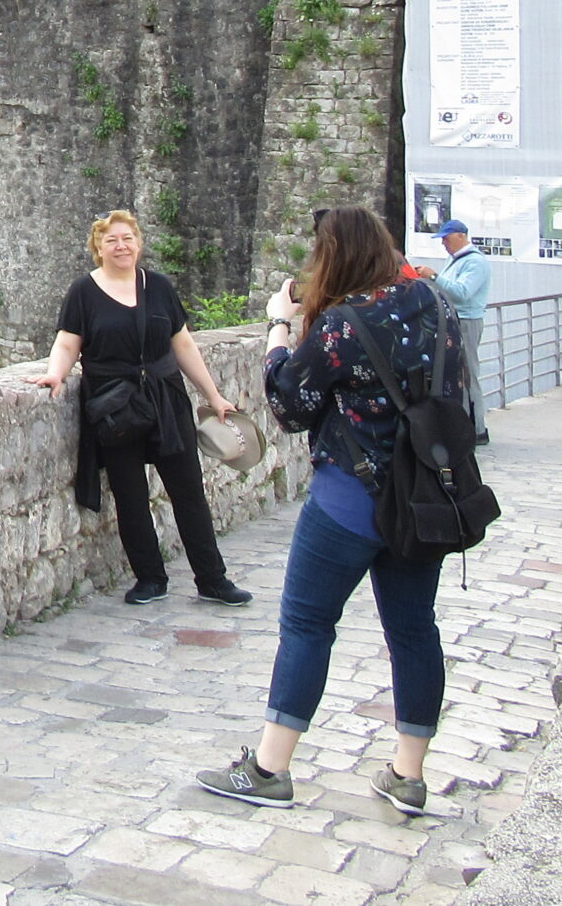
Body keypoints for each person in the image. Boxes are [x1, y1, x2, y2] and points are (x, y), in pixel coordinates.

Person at [198, 207, 464, 820]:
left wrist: (278, 331)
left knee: (308, 624)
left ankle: (269, 768)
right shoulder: (438, 305)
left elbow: (290, 406)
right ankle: (408, 774)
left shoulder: (344, 326)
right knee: (414, 630)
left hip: (351, 498)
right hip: (421, 496)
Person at [34, 210, 255, 608]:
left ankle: (212, 579)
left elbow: (183, 345)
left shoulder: (159, 288)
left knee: (188, 490)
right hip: (115, 403)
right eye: (111, 240)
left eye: (127, 238)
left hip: (165, 398)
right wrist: (56, 374)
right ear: (97, 248)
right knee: (130, 494)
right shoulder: (83, 292)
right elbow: (68, 342)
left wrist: (213, 395)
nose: (121, 246)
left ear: (138, 242)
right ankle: (150, 578)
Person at [430, 220, 494, 445]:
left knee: (468, 374)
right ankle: (464, 424)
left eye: (446, 239)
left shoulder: (475, 262)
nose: (444, 244)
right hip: (456, 320)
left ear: (460, 236)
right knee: (458, 374)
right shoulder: (456, 260)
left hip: (467, 321)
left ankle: (477, 428)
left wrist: (434, 277)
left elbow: (462, 292)